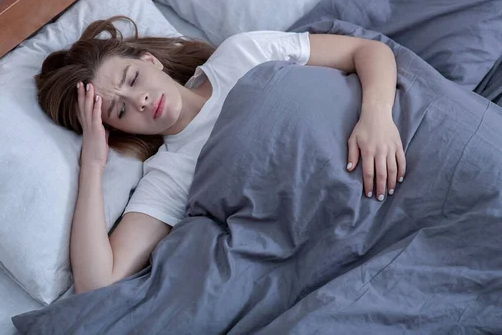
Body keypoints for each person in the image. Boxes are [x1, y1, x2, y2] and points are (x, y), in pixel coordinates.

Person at [35, 16, 406, 295]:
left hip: (388, 159)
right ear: (119, 130)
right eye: (119, 110)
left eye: (132, 80)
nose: (140, 100)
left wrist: (376, 115)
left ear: (150, 61)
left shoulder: (241, 52)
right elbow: (96, 283)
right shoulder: (169, 172)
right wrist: (93, 164)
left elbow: (366, 50)